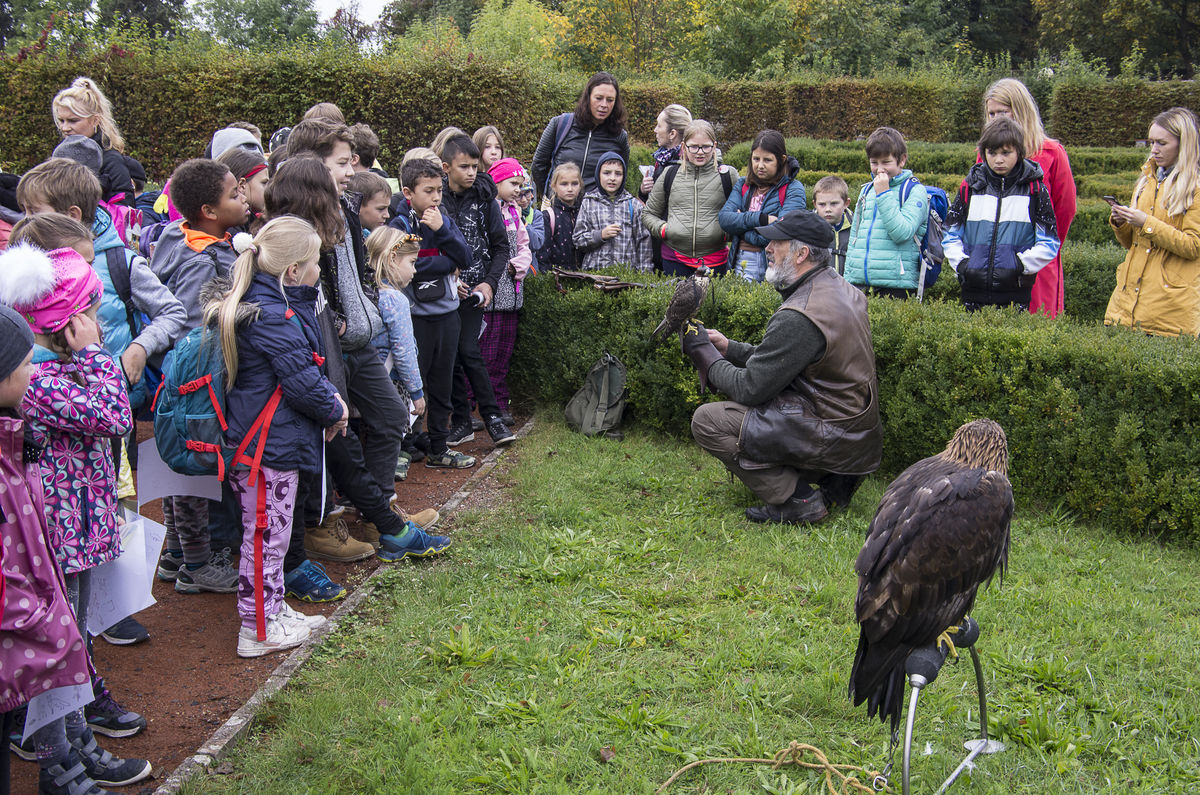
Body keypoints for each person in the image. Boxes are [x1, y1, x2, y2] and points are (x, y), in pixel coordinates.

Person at [0, 235, 153, 756]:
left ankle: (77, 724)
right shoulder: (41, 377)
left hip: (80, 523)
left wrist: (88, 356)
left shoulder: (61, 368)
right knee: (66, 636)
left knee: (79, 631)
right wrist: (95, 353)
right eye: (88, 310)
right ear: (65, 320)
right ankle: (60, 745)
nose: (98, 321)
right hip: (59, 532)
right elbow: (114, 417)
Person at [204, 217, 348, 656]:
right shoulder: (274, 318)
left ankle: (273, 609)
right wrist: (336, 408)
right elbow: (303, 381)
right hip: (267, 449)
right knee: (265, 537)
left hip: (267, 444)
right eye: (314, 263)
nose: (319, 271)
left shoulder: (267, 305)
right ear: (292, 272)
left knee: (271, 535)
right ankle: (258, 629)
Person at [683, 211, 882, 525]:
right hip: (854, 436)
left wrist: (706, 357)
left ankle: (799, 500)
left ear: (802, 254)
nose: (767, 248)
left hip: (832, 438)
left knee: (708, 421)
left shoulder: (800, 314)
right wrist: (730, 348)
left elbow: (750, 388)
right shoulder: (844, 291)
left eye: (777, 242)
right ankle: (835, 481)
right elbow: (791, 362)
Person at [149, 158, 248, 596]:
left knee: (177, 469)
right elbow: (195, 325)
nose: (244, 198)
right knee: (194, 471)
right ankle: (197, 565)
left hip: (176, 381)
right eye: (234, 194)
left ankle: (176, 553)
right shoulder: (202, 260)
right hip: (196, 383)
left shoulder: (177, 238)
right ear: (209, 210)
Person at [388, 156, 475, 469]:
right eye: (429, 191)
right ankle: (403, 448)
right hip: (415, 318)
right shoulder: (398, 224)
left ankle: (439, 447)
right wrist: (446, 263)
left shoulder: (442, 219)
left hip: (447, 314)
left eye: (439, 189)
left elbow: (465, 257)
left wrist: (445, 233)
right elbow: (402, 266)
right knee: (412, 384)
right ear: (409, 193)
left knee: (442, 384)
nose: (437, 197)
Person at [438, 134, 517, 449]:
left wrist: (489, 283)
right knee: (450, 356)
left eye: (475, 166)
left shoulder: (486, 197)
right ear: (447, 167)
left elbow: (501, 248)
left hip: (475, 291)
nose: (472, 172)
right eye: (464, 167)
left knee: (469, 350)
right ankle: (460, 421)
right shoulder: (435, 197)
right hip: (442, 292)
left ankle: (493, 417)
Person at [981, 78, 1077, 318]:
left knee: (1037, 331)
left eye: (1002, 112)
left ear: (1020, 111)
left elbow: (1064, 210)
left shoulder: (1052, 153)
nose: (996, 119)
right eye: (991, 114)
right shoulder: (985, 157)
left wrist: (1044, 248)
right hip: (993, 259)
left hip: (1037, 262)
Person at [943, 117, 1059, 311]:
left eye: (1006, 153)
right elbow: (949, 234)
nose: (998, 160)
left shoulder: (1035, 190)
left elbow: (1050, 241)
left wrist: (1020, 266)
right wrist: (963, 264)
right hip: (972, 291)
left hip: (1017, 293)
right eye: (992, 153)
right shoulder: (971, 187)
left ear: (1019, 152)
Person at [1104, 107, 1200, 337]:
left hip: (1169, 313)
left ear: (1183, 144)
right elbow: (1132, 245)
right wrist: (1122, 223)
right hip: (1125, 307)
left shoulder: (1195, 187)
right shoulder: (1147, 181)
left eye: (1162, 143)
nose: (1154, 150)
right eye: (1151, 142)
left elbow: (1193, 246)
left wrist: (1146, 222)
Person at [366, 227, 426, 483]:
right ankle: (384, 496)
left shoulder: (367, 293)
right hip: (390, 383)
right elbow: (403, 351)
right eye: (411, 262)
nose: (414, 271)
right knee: (388, 440)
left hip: (367, 378)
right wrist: (417, 393)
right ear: (392, 259)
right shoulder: (395, 300)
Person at [843, 126, 928, 298]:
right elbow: (856, 236)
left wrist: (883, 193)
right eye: (874, 163)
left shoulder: (915, 191)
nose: (879, 169)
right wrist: (849, 276)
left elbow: (902, 233)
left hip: (896, 284)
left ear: (902, 160)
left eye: (886, 162)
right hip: (860, 282)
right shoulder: (866, 190)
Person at [643, 120, 735, 277]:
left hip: (715, 259)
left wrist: (725, 234)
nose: (700, 152)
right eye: (693, 146)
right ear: (684, 146)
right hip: (675, 259)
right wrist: (665, 230)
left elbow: (741, 216)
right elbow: (648, 214)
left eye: (706, 146)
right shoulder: (670, 174)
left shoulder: (727, 175)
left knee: (711, 302)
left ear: (714, 145)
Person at [482, 158, 533, 422]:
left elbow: (524, 246)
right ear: (496, 182)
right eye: (513, 184)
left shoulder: (515, 212)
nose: (517, 190)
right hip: (491, 297)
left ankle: (501, 404)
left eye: (521, 185)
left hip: (511, 294)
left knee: (503, 353)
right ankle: (480, 405)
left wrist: (520, 265)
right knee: (486, 352)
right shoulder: (486, 210)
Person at [719, 129, 807, 282]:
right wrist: (762, 219)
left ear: (781, 159)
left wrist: (741, 229)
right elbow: (725, 219)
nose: (760, 165)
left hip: (776, 262)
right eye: (756, 159)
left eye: (767, 160)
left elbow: (783, 230)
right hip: (740, 261)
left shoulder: (793, 188)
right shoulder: (742, 184)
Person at [531, 72, 630, 196]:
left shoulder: (619, 136)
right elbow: (538, 165)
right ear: (588, 97)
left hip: (596, 211)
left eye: (610, 100)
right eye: (598, 98)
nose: (604, 105)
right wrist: (550, 194)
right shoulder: (560, 124)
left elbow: (622, 174)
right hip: (559, 209)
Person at [51, 77, 142, 207]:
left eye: (73, 120)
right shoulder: (61, 153)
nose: (65, 128)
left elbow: (124, 212)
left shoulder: (111, 161)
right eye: (61, 120)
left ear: (95, 120)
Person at [572, 152, 652, 272]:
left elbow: (643, 243)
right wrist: (600, 235)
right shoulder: (589, 202)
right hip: (595, 273)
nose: (612, 178)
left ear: (624, 176)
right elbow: (578, 239)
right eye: (607, 173)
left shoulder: (633, 205)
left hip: (626, 276)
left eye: (618, 174)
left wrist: (644, 276)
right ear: (598, 174)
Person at [639, 104, 692, 200]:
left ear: (672, 134)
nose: (655, 130)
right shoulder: (663, 158)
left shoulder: (685, 164)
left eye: (659, 126)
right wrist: (644, 190)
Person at [216, 146, 270, 232]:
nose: (269, 190)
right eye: (264, 183)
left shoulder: (249, 221)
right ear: (242, 185)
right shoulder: (230, 230)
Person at [540, 162, 582, 271]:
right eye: (564, 184)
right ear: (554, 186)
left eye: (574, 184)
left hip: (583, 276)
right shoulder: (548, 216)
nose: (570, 189)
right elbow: (543, 254)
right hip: (557, 277)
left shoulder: (583, 213)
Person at [813, 176, 852, 276]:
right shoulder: (809, 228)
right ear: (814, 204)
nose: (828, 209)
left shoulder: (856, 226)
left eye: (834, 203)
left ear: (846, 203)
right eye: (822, 204)